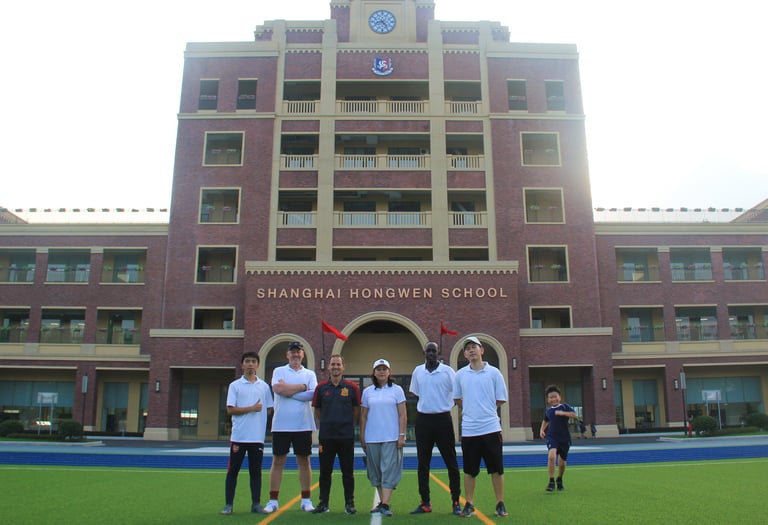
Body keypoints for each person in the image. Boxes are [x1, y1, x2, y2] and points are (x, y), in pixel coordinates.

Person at [453, 336, 509, 518]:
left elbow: (500, 399)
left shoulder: (494, 373)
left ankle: (500, 503)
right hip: (470, 430)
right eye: (468, 348)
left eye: (474, 347)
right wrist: (471, 410)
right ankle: (469, 504)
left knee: (497, 469)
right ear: (465, 354)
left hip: (491, 428)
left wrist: (485, 410)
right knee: (469, 470)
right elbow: (457, 399)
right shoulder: (460, 375)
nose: (471, 350)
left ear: (482, 350)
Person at [409, 341, 462, 516]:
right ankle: (425, 502)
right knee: (423, 463)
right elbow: (416, 393)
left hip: (443, 420)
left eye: (434, 351)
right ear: (424, 353)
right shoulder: (418, 371)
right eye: (428, 351)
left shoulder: (448, 372)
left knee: (451, 462)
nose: (431, 354)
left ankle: (456, 502)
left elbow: (457, 393)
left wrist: (444, 406)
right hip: (423, 421)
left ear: (438, 353)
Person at [265, 341, 318, 513]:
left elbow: (313, 394)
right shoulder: (278, 371)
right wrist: (302, 387)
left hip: (303, 424)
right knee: (278, 461)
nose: (296, 354)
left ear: (303, 354)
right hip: (281, 424)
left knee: (304, 461)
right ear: (287, 355)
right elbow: (278, 389)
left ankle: (306, 499)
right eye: (292, 352)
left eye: (298, 352)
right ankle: (273, 501)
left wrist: (289, 392)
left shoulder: (310, 374)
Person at [220, 351, 274, 515]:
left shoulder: (264, 387)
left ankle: (256, 504)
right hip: (239, 437)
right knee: (233, 471)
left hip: (257, 438)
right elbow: (230, 410)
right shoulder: (235, 385)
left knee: (256, 472)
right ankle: (228, 505)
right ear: (242, 365)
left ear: (258, 365)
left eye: (253, 361)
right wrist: (251, 408)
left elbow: (269, 409)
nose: (250, 364)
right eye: (247, 361)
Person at [311, 354, 361, 515]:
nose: (335, 367)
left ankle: (349, 504)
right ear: (329, 367)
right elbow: (317, 411)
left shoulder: (352, 388)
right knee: (325, 472)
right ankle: (323, 503)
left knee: (348, 473)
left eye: (338, 364)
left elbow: (356, 410)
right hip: (326, 437)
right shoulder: (321, 388)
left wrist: (348, 425)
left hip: (346, 437)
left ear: (343, 367)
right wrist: (328, 423)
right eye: (333, 364)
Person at [360, 358, 407, 517]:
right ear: (374, 372)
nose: (381, 372)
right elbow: (363, 416)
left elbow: (402, 415)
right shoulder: (367, 392)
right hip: (372, 437)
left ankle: (385, 504)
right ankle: (382, 502)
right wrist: (362, 436)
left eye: (384, 369)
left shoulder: (397, 390)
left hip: (391, 437)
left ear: (389, 372)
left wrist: (402, 435)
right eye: (378, 369)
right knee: (375, 472)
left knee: (388, 470)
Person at [539, 384, 579, 492]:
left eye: (555, 396)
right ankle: (551, 481)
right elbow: (545, 420)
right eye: (551, 397)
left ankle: (559, 479)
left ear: (560, 397)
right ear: (548, 400)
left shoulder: (564, 406)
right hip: (552, 437)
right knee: (551, 456)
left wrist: (562, 413)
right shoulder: (548, 411)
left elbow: (574, 415)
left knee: (561, 463)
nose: (553, 399)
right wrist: (542, 430)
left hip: (564, 438)